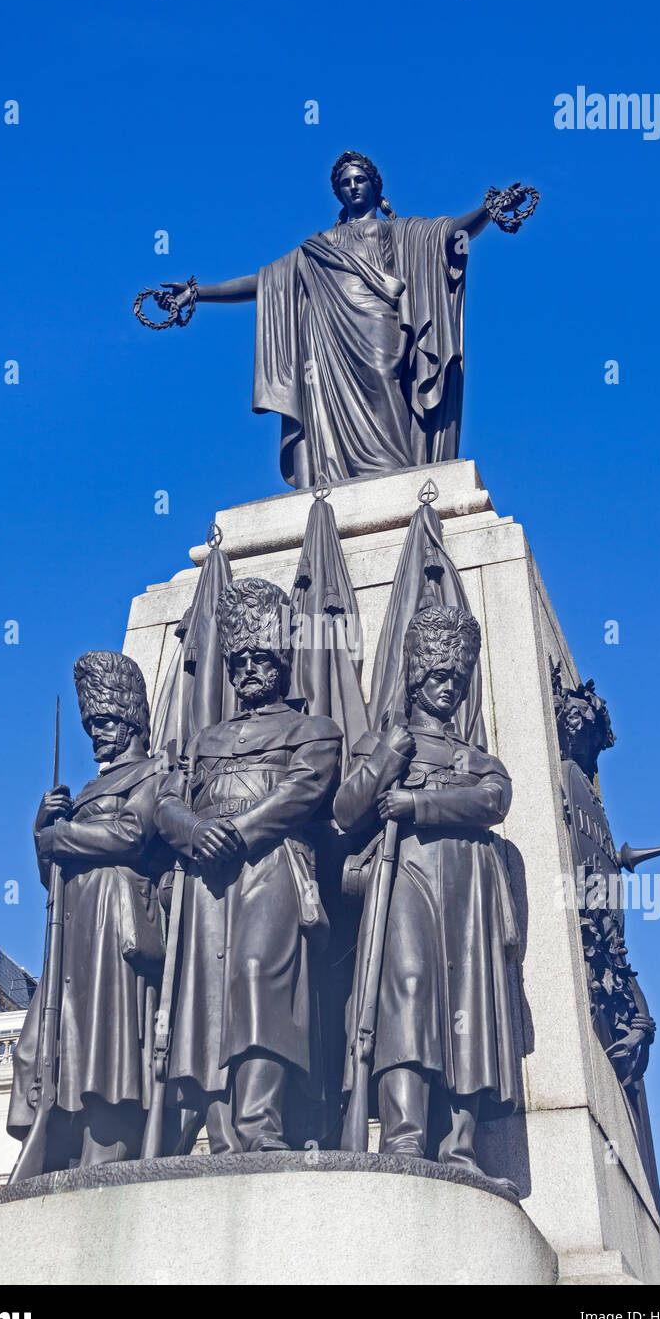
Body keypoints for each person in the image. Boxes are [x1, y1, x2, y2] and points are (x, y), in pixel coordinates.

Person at [156, 151, 496, 487]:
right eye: (345, 183)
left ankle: (394, 473)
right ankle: (341, 478)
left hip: (378, 321)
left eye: (360, 179)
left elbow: (448, 233)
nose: (353, 187)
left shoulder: (397, 230)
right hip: (325, 334)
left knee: (382, 378)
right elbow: (264, 282)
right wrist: (200, 292)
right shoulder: (319, 247)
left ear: (376, 187)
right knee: (323, 402)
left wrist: (489, 211)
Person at [154, 578, 341, 1152]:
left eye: (261, 658)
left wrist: (237, 830)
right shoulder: (205, 739)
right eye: (239, 662)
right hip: (205, 876)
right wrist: (194, 830)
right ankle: (218, 1129)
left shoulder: (312, 729)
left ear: (282, 660)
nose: (248, 671)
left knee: (260, 976)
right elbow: (165, 799)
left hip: (272, 865)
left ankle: (262, 1122)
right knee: (206, 994)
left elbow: (304, 791)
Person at [335, 606, 520, 1185]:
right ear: (415, 675)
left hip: (467, 887)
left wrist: (418, 805)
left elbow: (494, 801)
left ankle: (460, 1148)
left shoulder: (478, 759)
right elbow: (344, 813)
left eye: (456, 679)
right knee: (407, 994)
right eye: (438, 675)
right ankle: (403, 1136)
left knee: (469, 1009)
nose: (447, 687)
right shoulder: (383, 742)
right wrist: (389, 757)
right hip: (405, 876)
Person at [8, 651, 168, 1170]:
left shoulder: (155, 774)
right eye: (90, 724)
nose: (95, 732)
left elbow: (133, 833)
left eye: (104, 721)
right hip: (75, 936)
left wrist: (61, 835)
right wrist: (42, 832)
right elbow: (52, 874)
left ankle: (105, 1154)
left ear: (129, 719)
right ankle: (64, 1150)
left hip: (116, 930)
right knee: (45, 1047)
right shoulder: (84, 794)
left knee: (106, 1050)